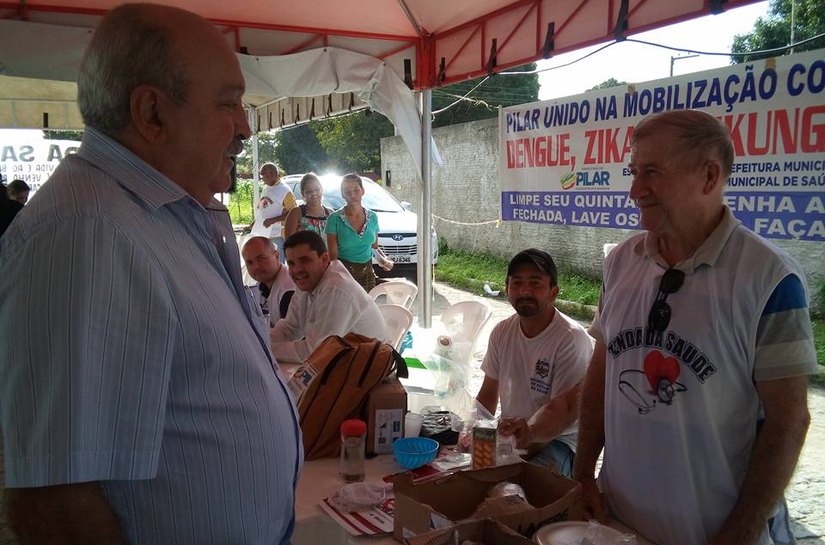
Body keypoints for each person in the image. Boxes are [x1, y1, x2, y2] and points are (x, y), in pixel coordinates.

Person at [0, 5, 302, 545]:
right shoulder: (87, 232)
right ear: (152, 113)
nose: (244, 126)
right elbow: (57, 502)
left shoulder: (155, 214)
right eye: (228, 103)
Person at [574, 110, 818, 545]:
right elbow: (602, 371)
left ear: (709, 176)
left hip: (710, 531)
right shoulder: (621, 262)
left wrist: (741, 532)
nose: (635, 190)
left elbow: (789, 420)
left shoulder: (769, 279)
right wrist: (582, 473)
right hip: (618, 520)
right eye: (634, 172)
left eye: (652, 172)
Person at [475, 249, 593, 478]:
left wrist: (509, 457)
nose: (525, 291)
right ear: (507, 288)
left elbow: (560, 414)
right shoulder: (501, 332)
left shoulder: (570, 339)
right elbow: (488, 394)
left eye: (535, 284)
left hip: (557, 441)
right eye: (517, 283)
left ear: (553, 292)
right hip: (513, 437)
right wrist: (475, 434)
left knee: (512, 488)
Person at [271, 230, 389, 363]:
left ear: (324, 259)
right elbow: (290, 327)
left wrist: (269, 349)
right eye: (291, 263)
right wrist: (263, 342)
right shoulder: (308, 282)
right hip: (345, 363)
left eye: (305, 260)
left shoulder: (336, 288)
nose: (297, 269)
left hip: (370, 367)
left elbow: (317, 352)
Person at [326, 173, 393, 292]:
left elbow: (374, 247)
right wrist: (336, 279)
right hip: (343, 275)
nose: (352, 194)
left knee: (368, 303)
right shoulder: (334, 219)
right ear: (342, 194)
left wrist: (384, 261)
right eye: (347, 191)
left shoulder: (373, 217)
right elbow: (333, 257)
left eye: (356, 190)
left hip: (367, 274)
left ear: (362, 191)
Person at [242, 235, 296, 324]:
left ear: (277, 256)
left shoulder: (289, 293)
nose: (256, 267)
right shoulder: (261, 286)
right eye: (249, 262)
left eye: (261, 258)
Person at [248, 162, 296, 260]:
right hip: (263, 234)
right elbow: (263, 208)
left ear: (274, 174)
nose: (262, 179)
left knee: (277, 263)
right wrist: (254, 223)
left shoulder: (285, 190)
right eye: (261, 175)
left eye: (264, 176)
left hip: (277, 235)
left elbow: (293, 212)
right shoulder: (266, 188)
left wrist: (273, 220)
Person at [283, 172, 334, 238]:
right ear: (303, 193)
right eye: (309, 191)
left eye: (317, 189)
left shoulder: (330, 213)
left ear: (322, 189)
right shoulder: (296, 213)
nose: (314, 193)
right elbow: (289, 242)